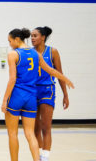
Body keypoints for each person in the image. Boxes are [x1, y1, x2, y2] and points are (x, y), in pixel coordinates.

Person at [1, 28, 74, 161]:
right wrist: (65, 79)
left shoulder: (13, 54)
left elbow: (12, 79)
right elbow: (51, 70)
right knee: (30, 134)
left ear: (17, 39)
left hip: (17, 95)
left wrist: (5, 100)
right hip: (31, 98)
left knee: (12, 134)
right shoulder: (36, 54)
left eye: (10, 41)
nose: (10, 44)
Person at [31, 26, 69, 161]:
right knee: (35, 127)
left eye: (35, 35)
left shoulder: (53, 52)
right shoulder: (30, 52)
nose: (32, 38)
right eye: (31, 36)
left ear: (43, 37)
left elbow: (59, 74)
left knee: (46, 127)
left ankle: (45, 158)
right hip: (33, 91)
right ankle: (39, 156)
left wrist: (65, 94)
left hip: (47, 90)